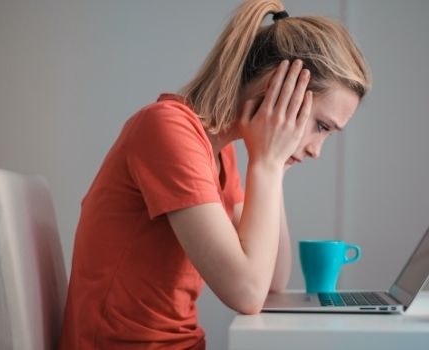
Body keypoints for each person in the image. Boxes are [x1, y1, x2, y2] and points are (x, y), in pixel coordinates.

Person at [58, 0, 371, 349]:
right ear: (277, 90)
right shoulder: (166, 129)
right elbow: (247, 292)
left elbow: (271, 283)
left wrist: (275, 167)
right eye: (321, 126)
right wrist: (266, 165)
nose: (316, 149)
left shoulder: (219, 152)